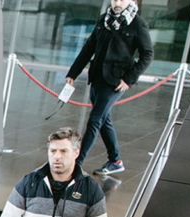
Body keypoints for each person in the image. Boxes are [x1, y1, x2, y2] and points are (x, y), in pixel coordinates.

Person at [66, 0, 153, 175]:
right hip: (97, 77)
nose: (117, 2)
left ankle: (77, 163)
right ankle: (115, 161)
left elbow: (147, 54)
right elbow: (89, 47)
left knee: (95, 120)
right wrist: (72, 73)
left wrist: (128, 79)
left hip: (115, 82)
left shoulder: (138, 24)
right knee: (104, 121)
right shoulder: (103, 19)